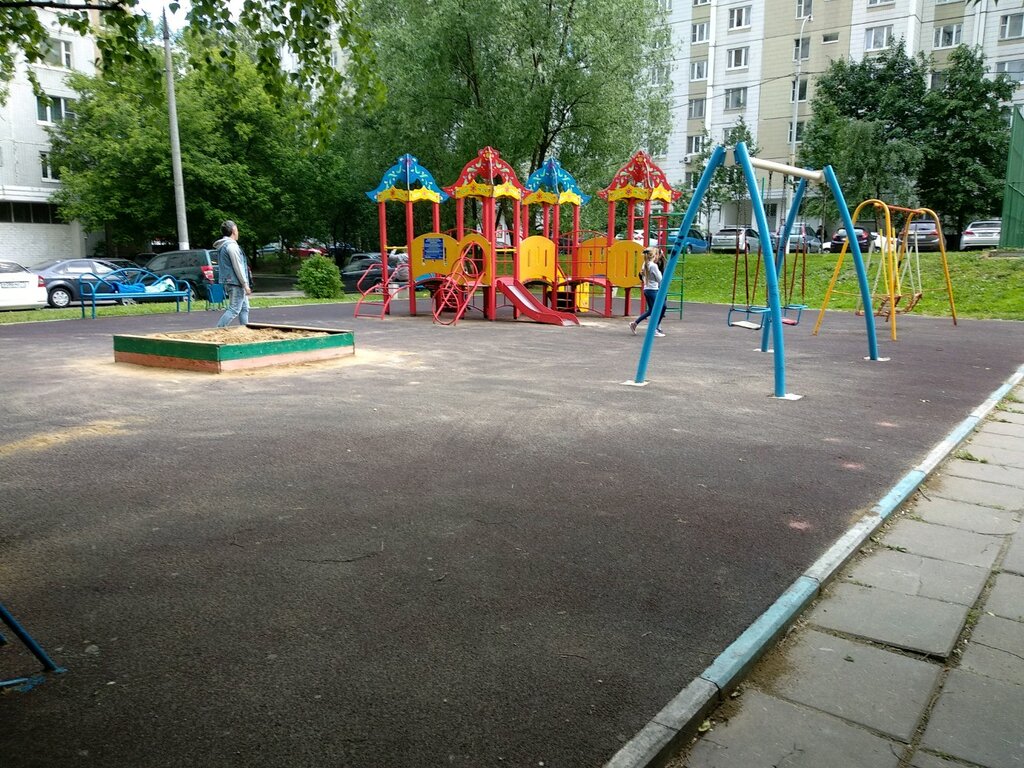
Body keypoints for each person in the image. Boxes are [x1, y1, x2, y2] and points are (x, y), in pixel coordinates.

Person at [214, 219, 252, 328]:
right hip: (236, 282)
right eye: (237, 229)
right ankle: (218, 330)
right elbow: (238, 267)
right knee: (234, 309)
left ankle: (245, 330)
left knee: (244, 308)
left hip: (230, 281)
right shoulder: (232, 246)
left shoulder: (224, 246)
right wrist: (245, 284)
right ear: (234, 230)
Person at [629, 247, 667, 337]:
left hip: (647, 289)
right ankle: (654, 329)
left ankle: (635, 323)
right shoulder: (654, 266)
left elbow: (643, 277)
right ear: (654, 256)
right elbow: (660, 279)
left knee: (651, 310)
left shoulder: (645, 264)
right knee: (657, 310)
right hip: (653, 290)